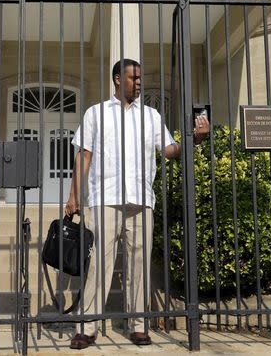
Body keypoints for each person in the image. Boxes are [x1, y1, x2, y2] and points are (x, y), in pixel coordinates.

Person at [65, 58, 209, 349]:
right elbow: (84, 157)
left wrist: (194, 139)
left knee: (139, 264)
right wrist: (74, 195)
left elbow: (169, 151)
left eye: (141, 78)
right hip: (105, 198)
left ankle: (138, 325)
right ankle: (87, 327)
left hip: (141, 200)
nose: (139, 82)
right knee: (99, 266)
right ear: (118, 79)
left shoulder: (152, 116)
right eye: (134, 78)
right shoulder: (96, 113)